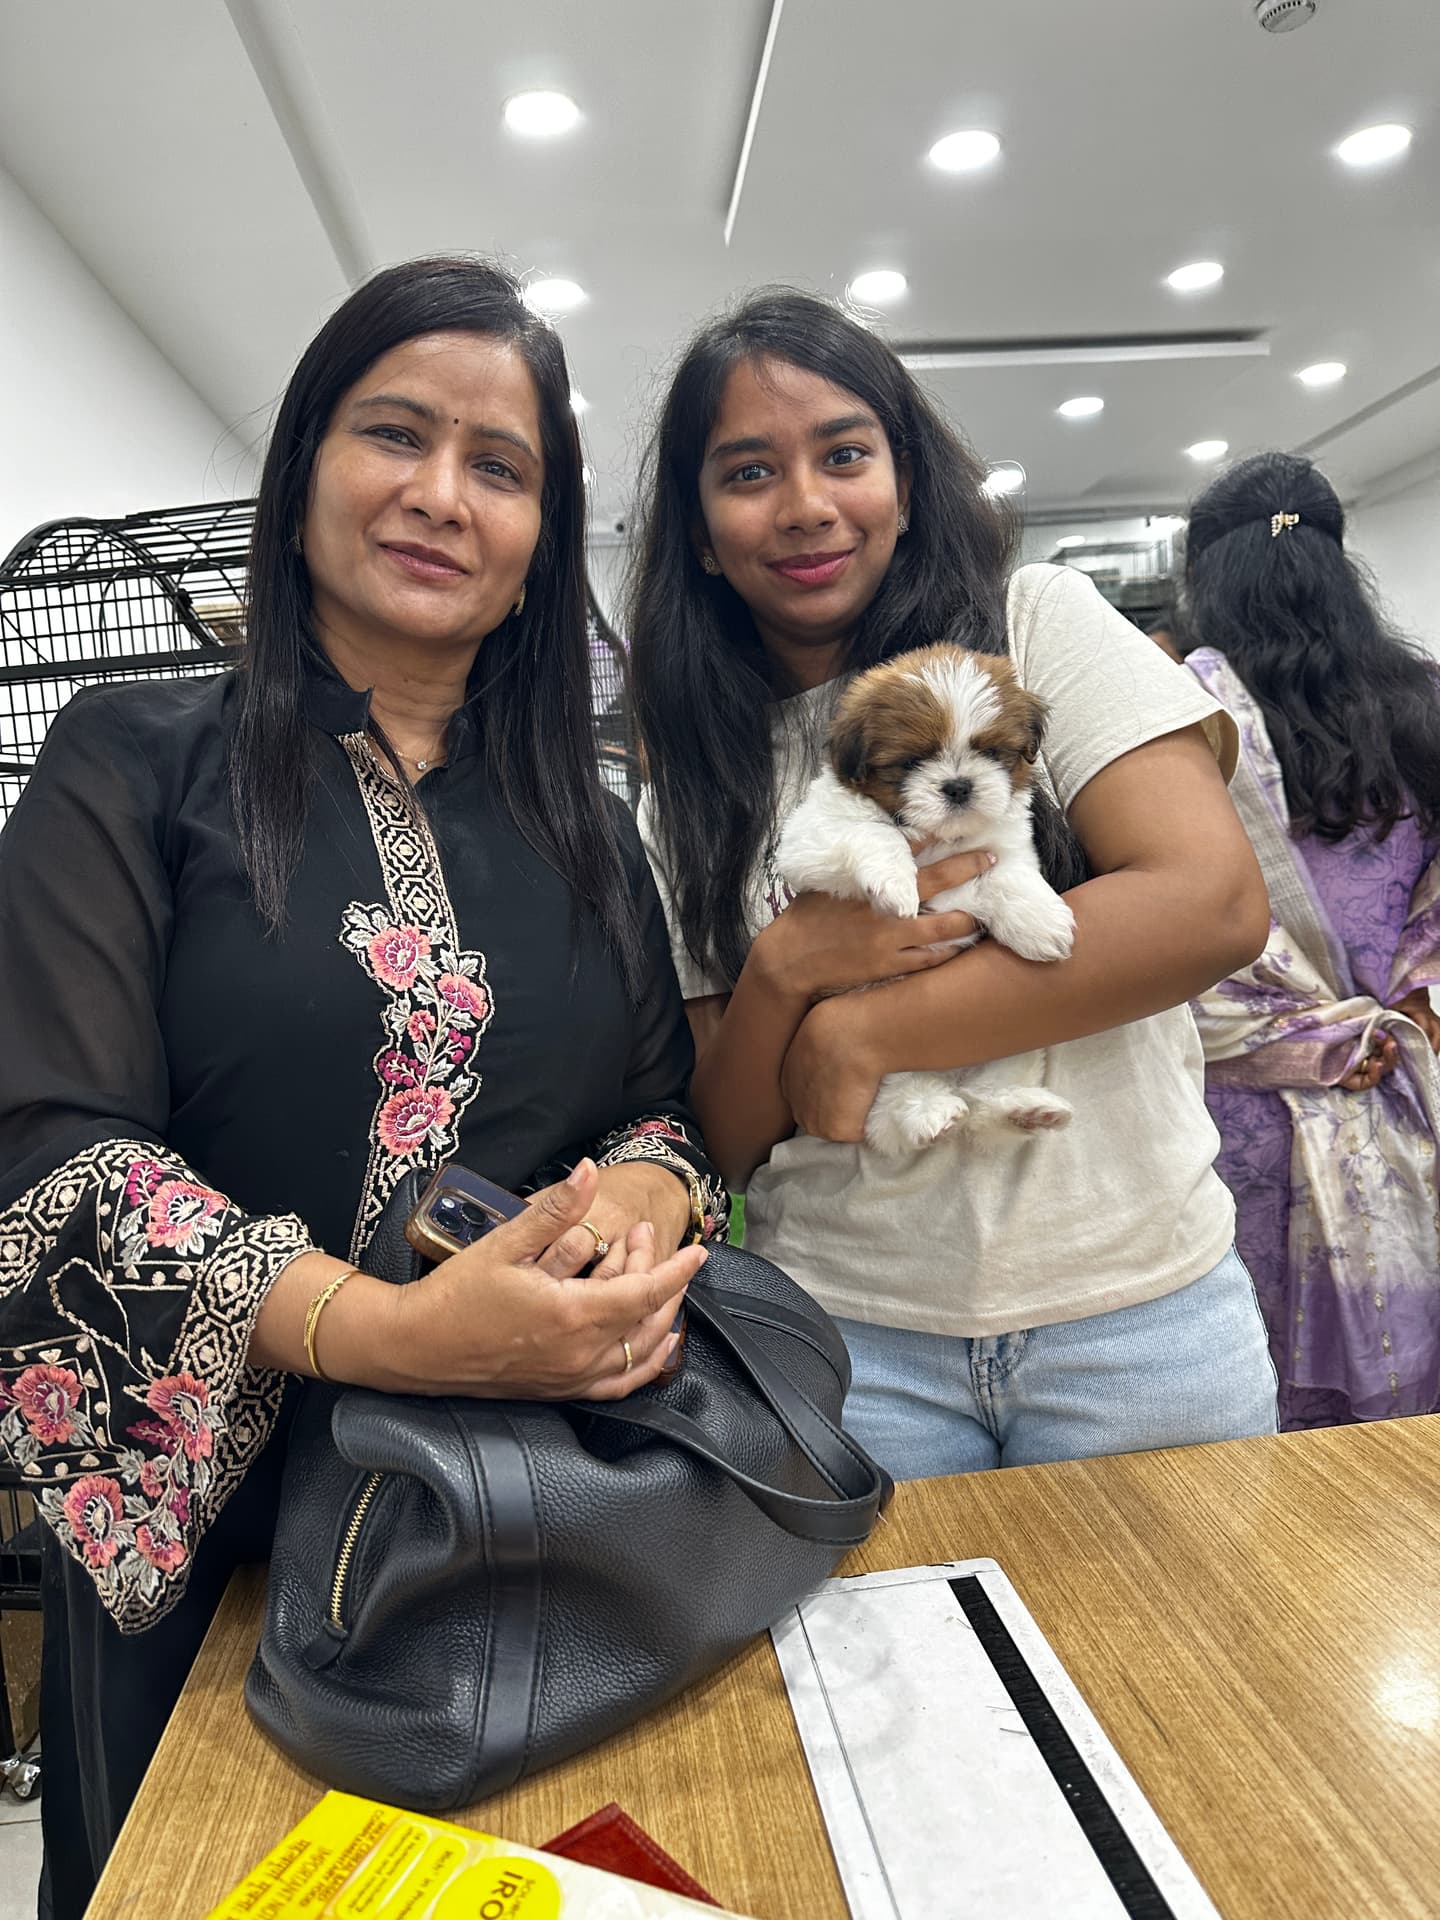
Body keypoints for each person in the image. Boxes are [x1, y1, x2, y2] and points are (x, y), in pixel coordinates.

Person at [0, 256, 722, 1919]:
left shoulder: (585, 828)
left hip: (532, 1515)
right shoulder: (132, 758)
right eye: (395, 433)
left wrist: (639, 1199)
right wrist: (384, 1330)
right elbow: (49, 1152)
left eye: (503, 467)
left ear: (543, 539)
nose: (440, 495)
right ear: (307, 461)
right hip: (214, 1534)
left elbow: (664, 1116)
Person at [629, 288, 1278, 1485]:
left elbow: (1211, 904)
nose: (808, 505)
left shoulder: (1037, 624)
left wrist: (867, 1030)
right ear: (701, 526)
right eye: (749, 472)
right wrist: (783, 975)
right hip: (844, 1336)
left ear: (909, 477)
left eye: (845, 453)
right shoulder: (692, 776)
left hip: (1137, 1311)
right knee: (885, 1679)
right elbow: (722, 1130)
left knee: (1189, 1673)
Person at [1178, 452, 1440, 1430]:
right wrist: (1405, 1009)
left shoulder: (1174, 720)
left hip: (1227, 1112)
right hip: (1397, 1085)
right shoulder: (1422, 702)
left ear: (1206, 577)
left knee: (1244, 1392)